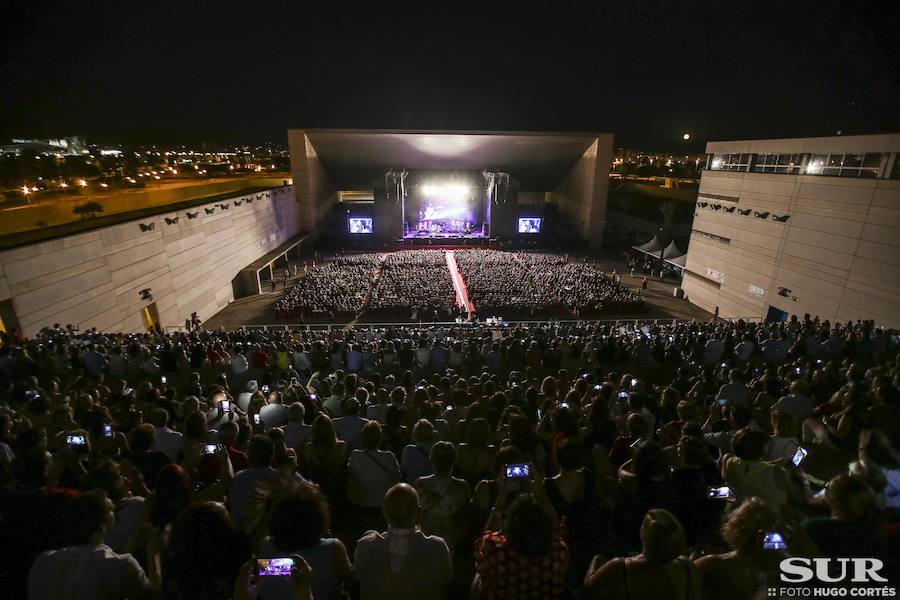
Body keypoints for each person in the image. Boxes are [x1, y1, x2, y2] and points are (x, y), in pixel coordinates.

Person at [28, 491, 159, 600]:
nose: (116, 512)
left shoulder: (43, 560)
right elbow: (155, 597)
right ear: (100, 528)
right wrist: (154, 553)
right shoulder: (121, 565)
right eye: (112, 510)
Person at [354, 483, 453, 600]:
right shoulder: (437, 547)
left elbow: (358, 578)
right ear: (419, 513)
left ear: (384, 512)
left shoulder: (365, 546)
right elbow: (446, 582)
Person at [257, 483, 352, 600]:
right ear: (319, 517)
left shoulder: (266, 546)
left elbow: (283, 571)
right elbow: (348, 578)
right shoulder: (333, 548)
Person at [583, 508, 703, 600]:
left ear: (643, 534)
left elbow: (589, 588)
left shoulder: (621, 567)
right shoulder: (687, 566)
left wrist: (596, 559)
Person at [474, 489, 569, 600]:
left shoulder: (495, 548)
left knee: (480, 569)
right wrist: (541, 491)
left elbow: (483, 541)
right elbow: (557, 529)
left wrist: (500, 498)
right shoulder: (560, 551)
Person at [414, 441, 471, 550]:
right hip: (450, 539)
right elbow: (465, 517)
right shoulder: (461, 486)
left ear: (432, 460)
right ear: (454, 461)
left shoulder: (421, 483)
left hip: (424, 537)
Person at [346, 421, 401, 510]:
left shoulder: (355, 455)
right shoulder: (389, 457)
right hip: (383, 502)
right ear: (380, 438)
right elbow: (397, 478)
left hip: (359, 502)